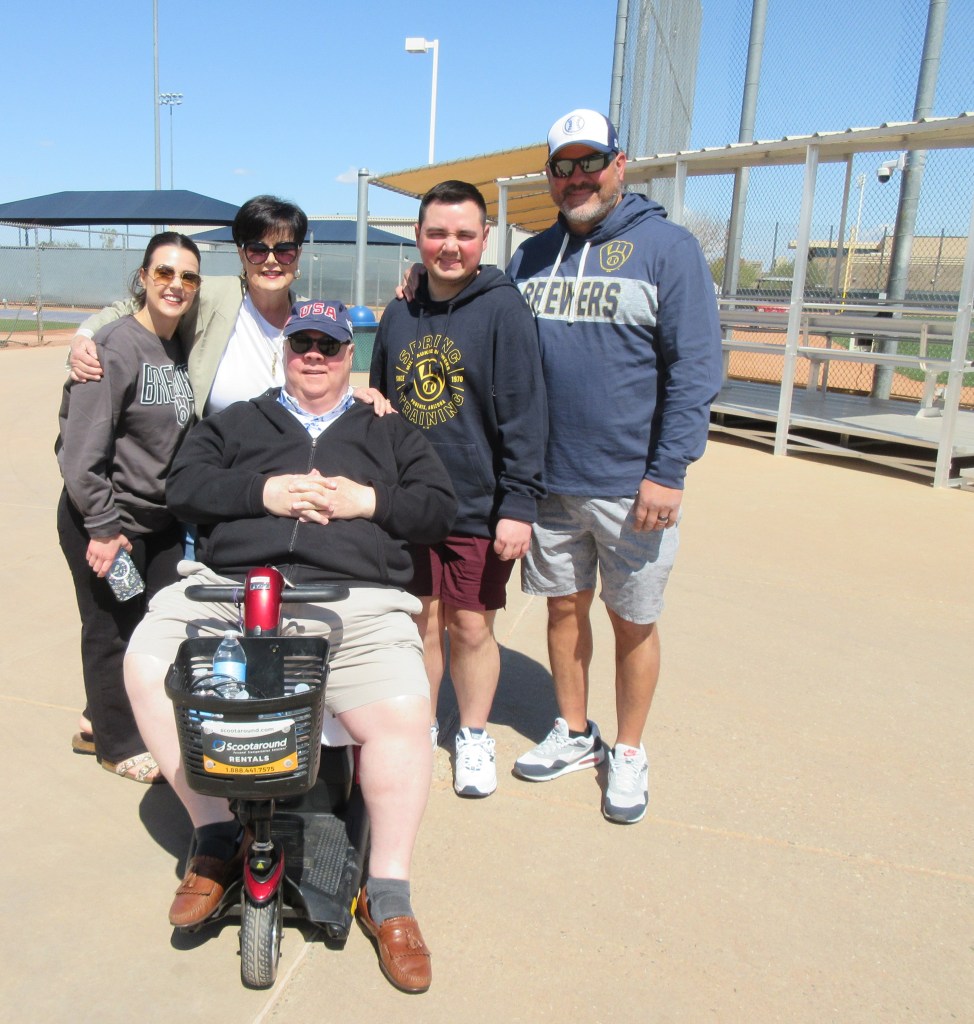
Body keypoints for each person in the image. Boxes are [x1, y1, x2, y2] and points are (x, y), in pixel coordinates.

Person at [123, 299, 456, 994]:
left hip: (354, 599)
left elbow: (437, 508)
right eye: (302, 342)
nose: (314, 356)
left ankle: (388, 893)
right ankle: (216, 837)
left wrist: (369, 502)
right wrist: (264, 491)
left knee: (403, 709)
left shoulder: (387, 428)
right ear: (284, 351)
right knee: (148, 662)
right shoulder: (239, 421)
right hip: (233, 588)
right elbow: (184, 486)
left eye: (329, 346)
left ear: (349, 355)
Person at [66, 195, 389, 750]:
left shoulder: (306, 318)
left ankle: (259, 722)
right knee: (157, 619)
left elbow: (323, 371)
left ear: (299, 255)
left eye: (285, 249)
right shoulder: (212, 295)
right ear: (240, 253)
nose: (271, 260)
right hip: (211, 488)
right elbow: (136, 305)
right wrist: (83, 337)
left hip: (268, 499)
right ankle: (127, 725)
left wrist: (359, 391)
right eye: (257, 248)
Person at [507, 109, 723, 824]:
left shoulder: (668, 249)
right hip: (549, 481)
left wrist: (670, 470)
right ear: (550, 176)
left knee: (633, 619)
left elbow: (696, 369)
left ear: (619, 164)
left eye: (590, 162)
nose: (577, 178)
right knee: (563, 609)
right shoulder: (531, 256)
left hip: (634, 486)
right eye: (562, 166)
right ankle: (575, 732)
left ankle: (628, 749)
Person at [370, 180, 546, 798]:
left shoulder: (504, 310)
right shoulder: (399, 311)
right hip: (409, 501)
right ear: (418, 237)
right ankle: (420, 725)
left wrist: (518, 503)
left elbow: (525, 413)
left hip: (477, 504)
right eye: (437, 233)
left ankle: (472, 733)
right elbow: (380, 402)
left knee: (471, 625)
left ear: (484, 238)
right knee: (420, 621)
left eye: (465, 235)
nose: (451, 246)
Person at [56, 232, 200, 782]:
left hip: (158, 522)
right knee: (112, 630)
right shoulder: (114, 348)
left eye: (187, 276)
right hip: (109, 523)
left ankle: (100, 717)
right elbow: (80, 453)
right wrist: (102, 527)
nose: (175, 284)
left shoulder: (177, 344)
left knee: (155, 626)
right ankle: (117, 744)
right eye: (164, 272)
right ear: (143, 277)